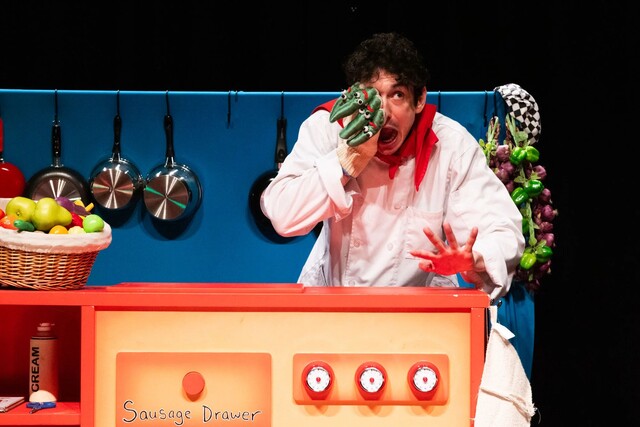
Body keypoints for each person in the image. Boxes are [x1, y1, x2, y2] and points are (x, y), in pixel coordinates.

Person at [261, 32, 524, 301]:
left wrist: (474, 259)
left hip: (419, 308)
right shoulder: (329, 128)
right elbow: (282, 214)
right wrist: (346, 160)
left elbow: (502, 230)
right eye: (372, 97)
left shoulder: (451, 145)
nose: (384, 113)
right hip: (333, 300)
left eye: (397, 95)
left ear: (419, 99)